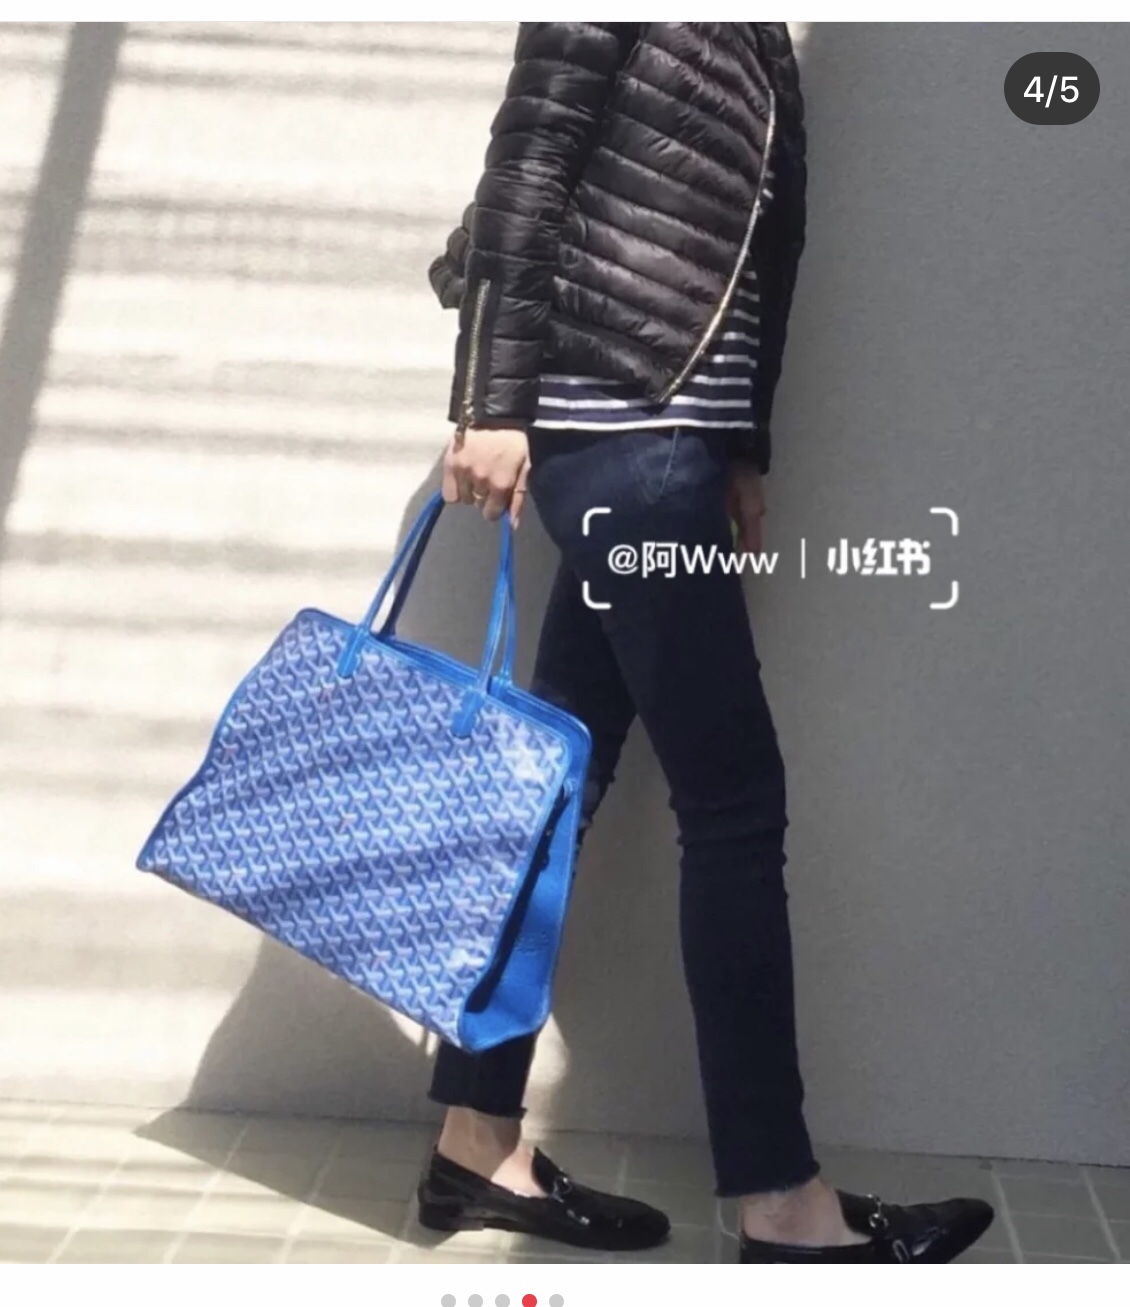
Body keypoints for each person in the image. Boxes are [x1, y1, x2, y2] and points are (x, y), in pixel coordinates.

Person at [414, 22, 994, 1264]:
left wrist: (742, 446)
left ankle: (475, 1137)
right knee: (734, 802)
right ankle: (782, 1202)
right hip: (622, 438)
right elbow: (529, 164)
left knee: (558, 782)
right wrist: (488, 401)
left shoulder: (762, 39)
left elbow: (748, 256)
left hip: (670, 441)